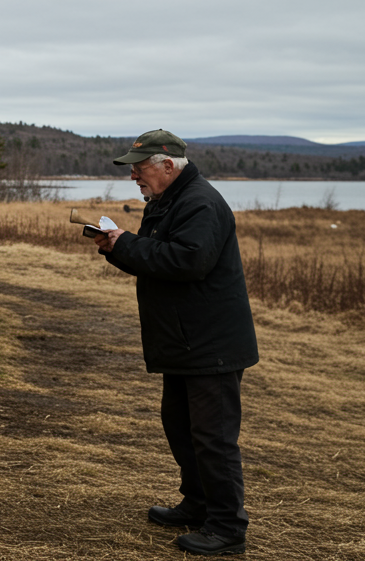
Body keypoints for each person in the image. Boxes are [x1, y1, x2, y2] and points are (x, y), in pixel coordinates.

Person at [92, 130, 259, 556]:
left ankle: (227, 526)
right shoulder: (168, 201)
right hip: (185, 342)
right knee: (181, 427)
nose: (134, 175)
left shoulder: (200, 202)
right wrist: (118, 247)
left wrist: (127, 244)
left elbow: (187, 261)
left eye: (139, 167)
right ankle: (199, 502)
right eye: (132, 168)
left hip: (210, 345)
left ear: (168, 165)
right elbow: (156, 257)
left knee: (213, 436)